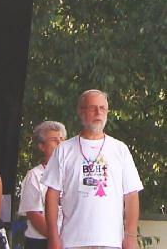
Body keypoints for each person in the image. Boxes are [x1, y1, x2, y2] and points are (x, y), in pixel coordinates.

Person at [42, 89, 143, 249]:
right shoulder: (64, 149)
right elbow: (52, 195)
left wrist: (130, 236)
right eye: (92, 107)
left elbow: (131, 195)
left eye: (102, 108)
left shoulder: (119, 149)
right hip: (72, 241)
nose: (98, 112)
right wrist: (53, 237)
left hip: (110, 241)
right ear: (81, 111)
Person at [18, 121, 67, 249]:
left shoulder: (72, 174)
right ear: (42, 146)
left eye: (62, 139)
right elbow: (34, 215)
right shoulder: (34, 175)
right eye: (54, 139)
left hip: (70, 240)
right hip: (42, 242)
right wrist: (56, 239)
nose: (59, 143)